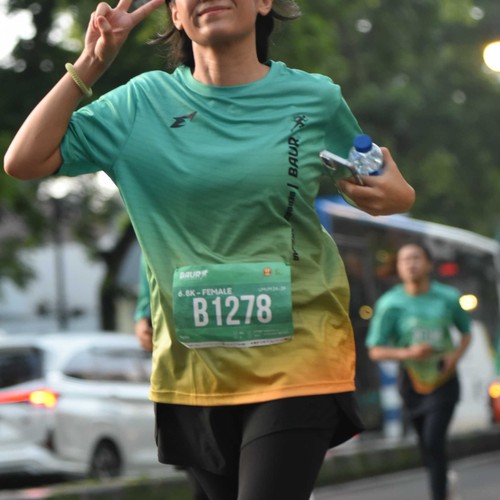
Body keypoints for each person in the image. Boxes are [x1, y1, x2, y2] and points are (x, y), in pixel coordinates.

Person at [4, 1, 415, 498]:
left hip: (300, 351)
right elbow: (24, 161)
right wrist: (92, 60)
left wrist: (396, 195)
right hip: (193, 368)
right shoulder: (139, 104)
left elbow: (379, 179)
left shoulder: (315, 97)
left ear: (263, 3)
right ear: (176, 15)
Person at [366, 243, 471, 500]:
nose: (411, 264)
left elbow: (466, 333)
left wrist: (454, 356)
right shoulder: (390, 303)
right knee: (426, 445)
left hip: (444, 379)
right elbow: (375, 350)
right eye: (404, 260)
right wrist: (408, 354)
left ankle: (439, 494)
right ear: (398, 268)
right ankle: (443, 479)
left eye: (416, 258)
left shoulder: (448, 297)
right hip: (411, 381)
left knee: (434, 440)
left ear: (428, 264)